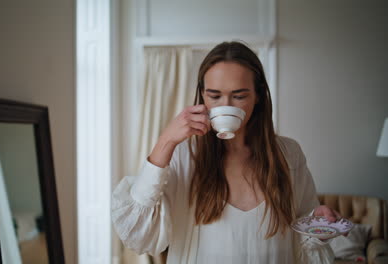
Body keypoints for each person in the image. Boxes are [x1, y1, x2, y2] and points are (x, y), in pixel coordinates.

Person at [112, 41, 340, 263]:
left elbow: (304, 237)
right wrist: (166, 141)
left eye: (239, 96)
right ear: (202, 94)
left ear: (258, 95)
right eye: (214, 95)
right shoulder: (183, 155)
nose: (226, 106)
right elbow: (137, 235)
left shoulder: (289, 153)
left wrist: (318, 223)